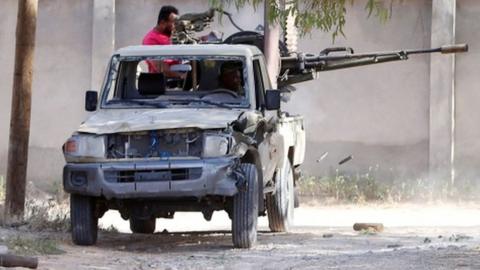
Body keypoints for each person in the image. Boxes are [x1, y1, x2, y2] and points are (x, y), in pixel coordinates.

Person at [142, 5, 185, 79]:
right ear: (162, 23)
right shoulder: (150, 39)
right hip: (161, 85)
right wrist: (182, 76)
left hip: (176, 81)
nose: (175, 26)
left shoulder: (170, 36)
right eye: (173, 23)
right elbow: (161, 69)